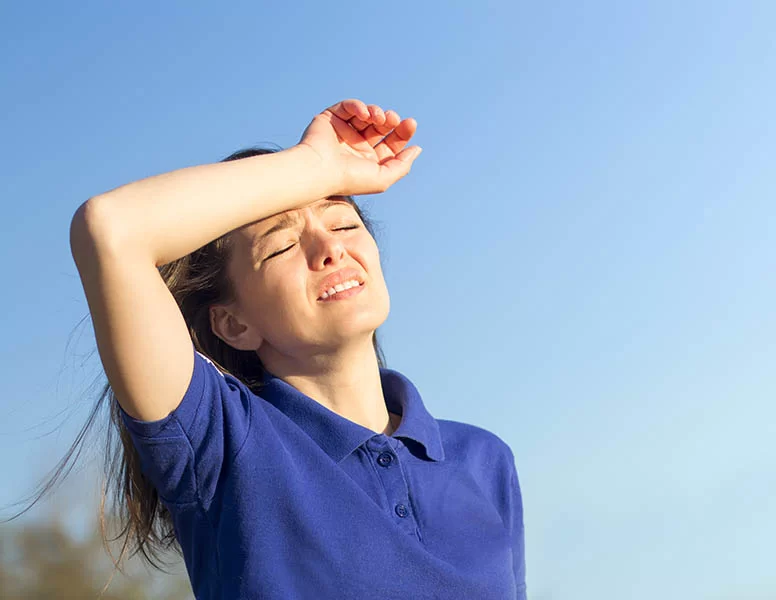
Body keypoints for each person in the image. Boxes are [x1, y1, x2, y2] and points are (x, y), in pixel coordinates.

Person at [68, 99, 526, 598]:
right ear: (233, 324)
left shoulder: (484, 460)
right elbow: (110, 229)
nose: (331, 249)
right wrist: (315, 165)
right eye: (282, 246)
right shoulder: (223, 444)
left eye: (345, 224)